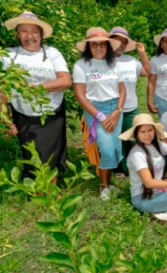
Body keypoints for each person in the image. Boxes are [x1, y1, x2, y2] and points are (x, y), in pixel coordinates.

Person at [0, 11, 71, 178]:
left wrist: (37, 88)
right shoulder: (7, 55)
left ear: (41, 35)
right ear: (17, 34)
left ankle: (48, 190)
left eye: (34, 32)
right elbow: (0, 89)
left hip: (51, 112)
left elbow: (65, 81)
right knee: (31, 153)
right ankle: (38, 188)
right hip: (23, 113)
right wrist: (5, 119)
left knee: (52, 153)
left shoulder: (52, 53)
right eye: (24, 31)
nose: (29, 36)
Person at [72, 27, 126, 200]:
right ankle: (103, 187)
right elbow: (80, 96)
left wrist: (118, 110)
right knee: (107, 149)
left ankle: (108, 184)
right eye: (94, 45)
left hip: (115, 108)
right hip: (94, 110)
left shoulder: (114, 64)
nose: (99, 48)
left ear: (108, 46)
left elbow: (122, 89)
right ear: (88, 47)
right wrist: (101, 116)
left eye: (103, 44)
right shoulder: (81, 66)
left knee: (115, 147)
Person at [108, 26, 151, 173]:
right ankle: (118, 169)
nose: (120, 44)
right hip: (112, 108)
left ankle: (132, 167)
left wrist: (142, 54)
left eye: (123, 41)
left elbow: (147, 72)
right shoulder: (104, 60)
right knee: (114, 140)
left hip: (131, 108)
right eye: (116, 40)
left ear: (126, 45)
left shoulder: (132, 61)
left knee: (132, 139)